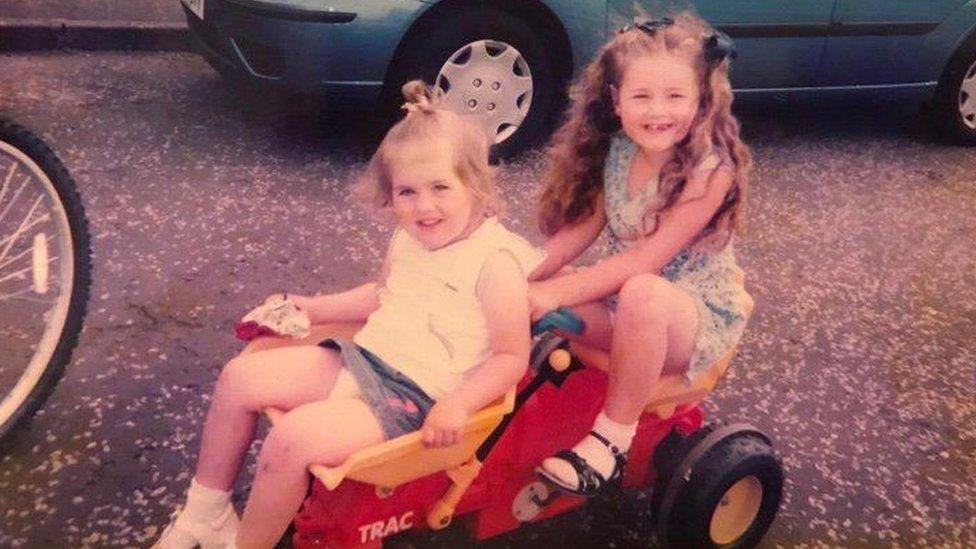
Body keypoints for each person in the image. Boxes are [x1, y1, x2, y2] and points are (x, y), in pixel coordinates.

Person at [153, 81, 539, 549]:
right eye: (407, 192)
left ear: (474, 185)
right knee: (240, 378)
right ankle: (205, 515)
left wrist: (457, 405)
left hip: (418, 399)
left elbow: (510, 356)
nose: (424, 206)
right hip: (366, 358)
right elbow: (381, 295)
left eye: (441, 187)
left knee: (293, 440)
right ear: (390, 195)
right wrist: (313, 308)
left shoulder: (493, 263)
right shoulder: (409, 238)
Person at [529, 12, 755, 496]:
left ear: (700, 102)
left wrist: (548, 293)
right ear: (615, 100)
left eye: (675, 96)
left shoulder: (709, 171)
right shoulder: (616, 152)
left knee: (640, 292)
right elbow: (578, 233)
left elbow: (642, 263)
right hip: (624, 306)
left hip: (688, 316)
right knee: (539, 293)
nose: (658, 111)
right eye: (642, 96)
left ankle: (612, 442)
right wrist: (521, 275)